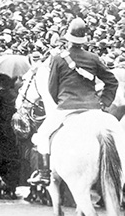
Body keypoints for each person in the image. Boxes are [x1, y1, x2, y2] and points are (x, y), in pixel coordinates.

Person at [30, 17, 119, 185]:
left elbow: (51, 89)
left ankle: (44, 173)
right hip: (94, 108)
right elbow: (112, 81)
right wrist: (104, 102)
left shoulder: (58, 59)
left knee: (42, 135)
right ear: (84, 40)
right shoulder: (94, 58)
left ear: (68, 38)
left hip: (67, 107)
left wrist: (61, 101)